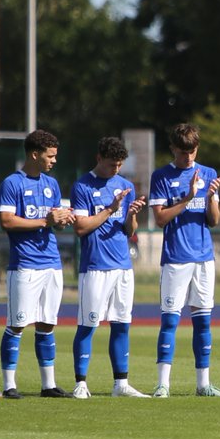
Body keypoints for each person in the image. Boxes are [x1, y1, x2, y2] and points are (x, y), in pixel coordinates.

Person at [148, 123, 220, 398]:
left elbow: (213, 220)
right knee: (170, 321)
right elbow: (160, 219)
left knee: (203, 322)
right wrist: (189, 197)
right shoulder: (161, 176)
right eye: (183, 152)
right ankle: (163, 384)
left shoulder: (208, 174)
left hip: (204, 258)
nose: (188, 157)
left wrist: (210, 198)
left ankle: (203, 385)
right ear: (173, 149)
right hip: (175, 259)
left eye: (192, 151)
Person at [0, 130, 76, 398]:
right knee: (17, 324)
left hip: (51, 263)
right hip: (25, 265)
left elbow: (53, 222)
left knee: (47, 324)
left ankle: (48, 385)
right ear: (34, 154)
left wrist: (62, 220)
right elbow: (6, 221)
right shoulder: (12, 183)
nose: (54, 160)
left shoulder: (51, 184)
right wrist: (45, 221)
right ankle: (9, 386)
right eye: (50, 156)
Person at [70, 137, 150, 398]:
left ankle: (121, 384)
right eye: (111, 164)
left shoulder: (125, 186)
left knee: (121, 324)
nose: (115, 169)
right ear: (99, 158)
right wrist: (110, 208)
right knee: (88, 324)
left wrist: (131, 214)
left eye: (119, 165)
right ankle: (81, 384)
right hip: (95, 266)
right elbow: (81, 227)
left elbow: (129, 230)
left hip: (123, 266)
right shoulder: (82, 186)